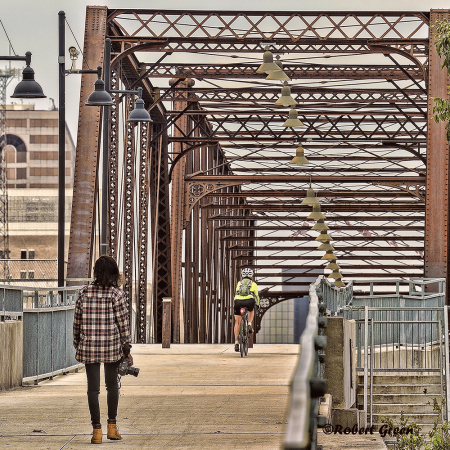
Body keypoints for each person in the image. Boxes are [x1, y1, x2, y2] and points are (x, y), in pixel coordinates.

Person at [73, 255, 132, 444]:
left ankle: (96, 431)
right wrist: (126, 347)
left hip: (89, 346)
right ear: (114, 273)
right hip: (111, 346)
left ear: (96, 273)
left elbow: (77, 323)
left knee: (93, 389)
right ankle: (112, 428)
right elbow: (123, 324)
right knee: (112, 385)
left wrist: (78, 343)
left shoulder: (83, 293)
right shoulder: (117, 294)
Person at [233, 268, 259, 352]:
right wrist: (257, 305)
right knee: (251, 310)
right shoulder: (253, 284)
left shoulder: (239, 283)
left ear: (242, 275)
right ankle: (249, 324)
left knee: (237, 322)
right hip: (249, 301)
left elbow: (237, 292)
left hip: (238, 301)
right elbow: (256, 296)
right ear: (251, 276)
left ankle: (236, 342)